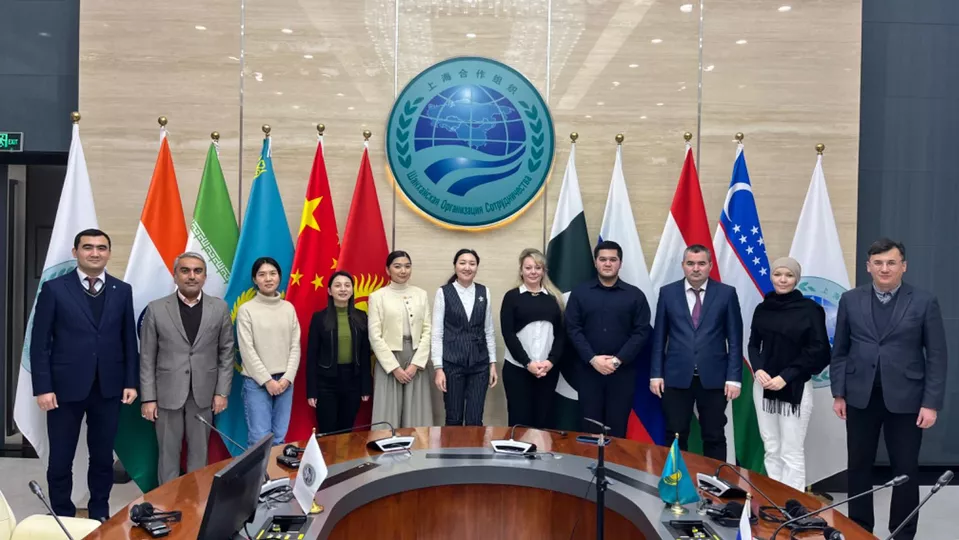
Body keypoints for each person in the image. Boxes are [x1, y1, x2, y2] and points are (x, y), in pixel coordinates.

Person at [831, 238, 947, 540]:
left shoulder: (923, 301)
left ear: (903, 266)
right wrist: (838, 393)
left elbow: (937, 356)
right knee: (858, 466)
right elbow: (840, 350)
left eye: (891, 263)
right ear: (868, 266)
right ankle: (858, 529)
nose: (885, 268)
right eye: (878, 263)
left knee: (905, 470)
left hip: (908, 400)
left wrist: (931, 403)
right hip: (860, 397)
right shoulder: (850, 300)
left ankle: (902, 533)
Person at [30, 229, 138, 521]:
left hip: (109, 388)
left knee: (102, 458)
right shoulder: (54, 289)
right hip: (64, 390)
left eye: (101, 247)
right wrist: (43, 387)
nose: (95, 253)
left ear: (109, 253)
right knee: (60, 459)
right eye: (88, 247)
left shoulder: (121, 290)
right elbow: (40, 344)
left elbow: (128, 339)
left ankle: (99, 512)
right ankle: (63, 515)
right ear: (75, 252)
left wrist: (130, 381)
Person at [138, 252, 235, 485]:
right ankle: (167, 500)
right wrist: (148, 398)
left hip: (204, 394)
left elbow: (226, 352)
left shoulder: (219, 308)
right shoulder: (156, 308)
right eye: (185, 270)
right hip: (166, 394)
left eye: (197, 271)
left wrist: (222, 392)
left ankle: (195, 500)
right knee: (168, 455)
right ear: (175, 276)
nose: (192, 276)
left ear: (204, 277)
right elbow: (147, 357)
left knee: (199, 454)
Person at [649, 244, 743, 462]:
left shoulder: (726, 293)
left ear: (710, 266)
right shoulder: (668, 292)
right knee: (675, 433)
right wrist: (656, 374)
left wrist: (734, 378)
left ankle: (715, 480)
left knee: (714, 435)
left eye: (701, 263)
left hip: (714, 378)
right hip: (675, 377)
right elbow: (659, 337)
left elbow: (735, 340)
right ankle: (676, 480)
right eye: (690, 263)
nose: (696, 268)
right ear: (683, 265)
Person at [747, 257, 830, 491]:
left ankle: (792, 502)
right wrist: (758, 369)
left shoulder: (810, 310)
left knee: (791, 450)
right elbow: (753, 344)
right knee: (771, 447)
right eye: (778, 274)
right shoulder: (763, 308)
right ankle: (774, 498)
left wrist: (786, 376)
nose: (782, 280)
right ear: (771, 277)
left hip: (794, 386)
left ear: (796, 279)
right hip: (763, 386)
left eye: (789, 275)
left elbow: (819, 350)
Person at [566, 240, 651, 438]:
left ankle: (615, 460)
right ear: (595, 262)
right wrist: (592, 359)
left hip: (622, 374)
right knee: (589, 429)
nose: (607, 263)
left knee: (617, 430)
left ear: (620, 263)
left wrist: (617, 360)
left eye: (613, 259)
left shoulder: (635, 296)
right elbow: (572, 328)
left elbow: (641, 332)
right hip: (588, 372)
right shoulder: (580, 293)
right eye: (603, 259)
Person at [236, 257, 300, 447]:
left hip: (285, 382)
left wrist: (287, 378)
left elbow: (295, 346)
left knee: (279, 439)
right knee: (259, 441)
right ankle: (260, 470)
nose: (268, 278)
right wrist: (267, 381)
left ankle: (276, 469)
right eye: (262, 274)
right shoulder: (246, 310)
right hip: (257, 383)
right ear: (255, 279)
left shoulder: (288, 308)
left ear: (279, 276)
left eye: (273, 273)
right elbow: (247, 350)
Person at [432, 249, 498, 426]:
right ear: (455, 266)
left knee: (475, 419)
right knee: (453, 418)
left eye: (472, 263)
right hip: (452, 363)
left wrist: (492, 364)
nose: (467, 267)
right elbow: (437, 333)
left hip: (480, 364)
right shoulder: (444, 292)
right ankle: (451, 446)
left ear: (477, 267)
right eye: (462, 263)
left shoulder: (484, 292)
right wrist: (438, 368)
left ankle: (475, 446)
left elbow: (489, 330)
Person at [501, 248, 564, 428]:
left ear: (543, 271)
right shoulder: (512, 297)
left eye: (538, 267)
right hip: (517, 369)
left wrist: (550, 362)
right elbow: (508, 334)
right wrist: (527, 363)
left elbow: (561, 335)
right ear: (521, 271)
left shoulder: (554, 298)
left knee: (543, 423)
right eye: (528, 268)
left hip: (547, 370)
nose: (533, 272)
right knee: (519, 423)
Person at [368, 251, 433, 428]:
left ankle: (417, 446)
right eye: (397, 266)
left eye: (407, 266)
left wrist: (416, 364)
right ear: (387, 270)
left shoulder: (421, 294)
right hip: (389, 359)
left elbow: (428, 330)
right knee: (387, 414)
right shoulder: (377, 297)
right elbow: (375, 336)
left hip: (415, 358)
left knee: (417, 415)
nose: (403, 271)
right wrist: (394, 368)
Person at [306, 271, 372, 433]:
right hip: (326, 384)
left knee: (346, 432)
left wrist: (365, 386)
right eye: (338, 285)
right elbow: (312, 356)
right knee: (327, 432)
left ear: (352, 290)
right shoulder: (319, 318)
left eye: (347, 285)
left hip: (353, 382)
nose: (343, 289)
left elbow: (365, 355)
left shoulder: (361, 317)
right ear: (329, 291)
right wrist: (311, 391)